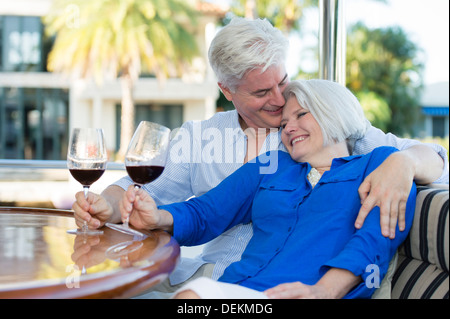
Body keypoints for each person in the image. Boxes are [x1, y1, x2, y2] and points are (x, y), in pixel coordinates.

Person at [72, 17, 448, 291]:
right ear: (228, 90)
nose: (281, 100)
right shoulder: (209, 141)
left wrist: (404, 162)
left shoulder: (344, 138)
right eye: (262, 93)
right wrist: (104, 205)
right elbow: (175, 202)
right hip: (210, 276)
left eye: (282, 82)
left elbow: (431, 161)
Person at [120, 80, 416, 299]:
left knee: (192, 299)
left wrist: (322, 292)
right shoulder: (272, 165)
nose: (288, 128)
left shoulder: (380, 165)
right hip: (239, 291)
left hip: (305, 295)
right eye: (284, 122)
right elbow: (207, 212)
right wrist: (157, 217)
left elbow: (373, 241)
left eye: (301, 115)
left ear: (334, 113)